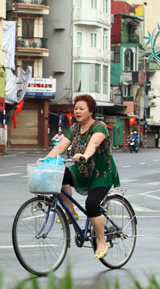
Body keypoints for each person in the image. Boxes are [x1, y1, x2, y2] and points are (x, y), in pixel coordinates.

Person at [41, 94, 120, 259]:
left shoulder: (99, 127)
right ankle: (70, 210)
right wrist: (45, 161)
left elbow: (94, 144)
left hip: (101, 174)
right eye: (75, 108)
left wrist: (85, 155)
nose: (77, 111)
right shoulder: (75, 128)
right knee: (59, 175)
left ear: (90, 111)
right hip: (82, 171)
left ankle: (101, 241)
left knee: (92, 205)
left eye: (81, 108)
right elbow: (61, 147)